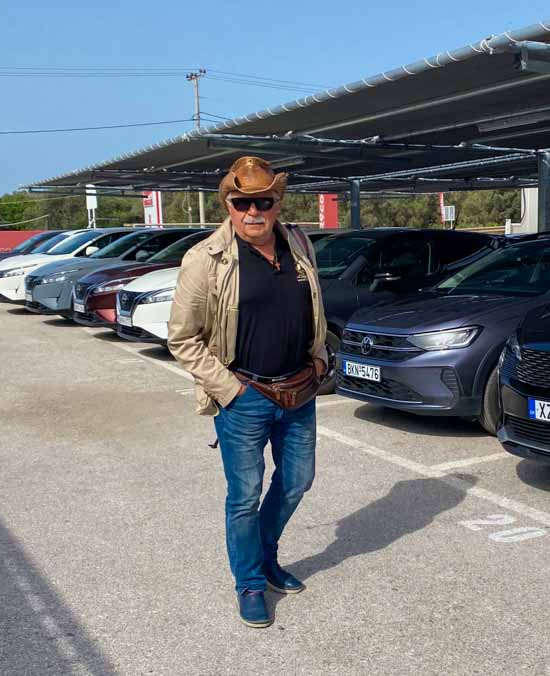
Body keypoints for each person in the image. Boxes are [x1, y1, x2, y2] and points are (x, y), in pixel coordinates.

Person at [168, 156, 328, 628]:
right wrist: (230, 390)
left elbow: (314, 303)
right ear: (229, 205)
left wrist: (319, 356)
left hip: (299, 389)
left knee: (298, 480)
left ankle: (265, 555)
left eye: (264, 201)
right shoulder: (206, 259)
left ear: (277, 204)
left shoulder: (298, 242)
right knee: (245, 495)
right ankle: (251, 582)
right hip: (245, 396)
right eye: (243, 203)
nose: (253, 211)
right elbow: (182, 338)